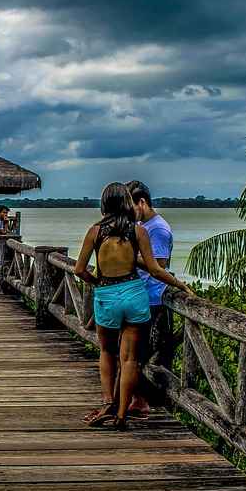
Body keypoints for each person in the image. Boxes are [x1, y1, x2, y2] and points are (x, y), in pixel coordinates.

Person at [73, 182, 191, 429]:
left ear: (104, 203)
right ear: (128, 202)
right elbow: (155, 269)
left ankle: (108, 403)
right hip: (135, 295)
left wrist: (98, 283)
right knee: (130, 359)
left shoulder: (95, 231)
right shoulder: (139, 232)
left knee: (107, 352)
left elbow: (79, 269)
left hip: (107, 294)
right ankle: (122, 415)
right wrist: (181, 286)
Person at [125, 180, 174, 419]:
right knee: (131, 353)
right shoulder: (140, 224)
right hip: (137, 296)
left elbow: (160, 266)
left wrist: (128, 256)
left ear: (141, 202)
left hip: (152, 299)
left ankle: (143, 401)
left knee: (141, 354)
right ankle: (136, 399)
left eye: (131, 207)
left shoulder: (158, 229)